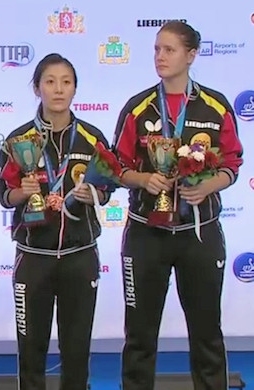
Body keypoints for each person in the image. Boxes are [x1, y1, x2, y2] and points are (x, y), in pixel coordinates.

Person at [112, 21, 243, 390]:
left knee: (206, 333)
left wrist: (207, 187)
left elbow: (232, 163)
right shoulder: (138, 108)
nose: (160, 57)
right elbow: (116, 166)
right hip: (145, 233)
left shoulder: (215, 106)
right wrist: (143, 179)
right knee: (139, 335)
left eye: (168, 50)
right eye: (156, 49)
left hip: (198, 235)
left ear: (191, 55)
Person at [0, 53, 114, 390]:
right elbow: (4, 194)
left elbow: (107, 187)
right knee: (30, 351)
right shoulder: (17, 141)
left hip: (80, 256)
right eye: (50, 81)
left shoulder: (92, 138)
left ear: (75, 88)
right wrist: (23, 191)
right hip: (34, 259)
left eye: (66, 82)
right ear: (37, 88)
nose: (58, 89)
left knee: (76, 351)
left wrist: (97, 195)